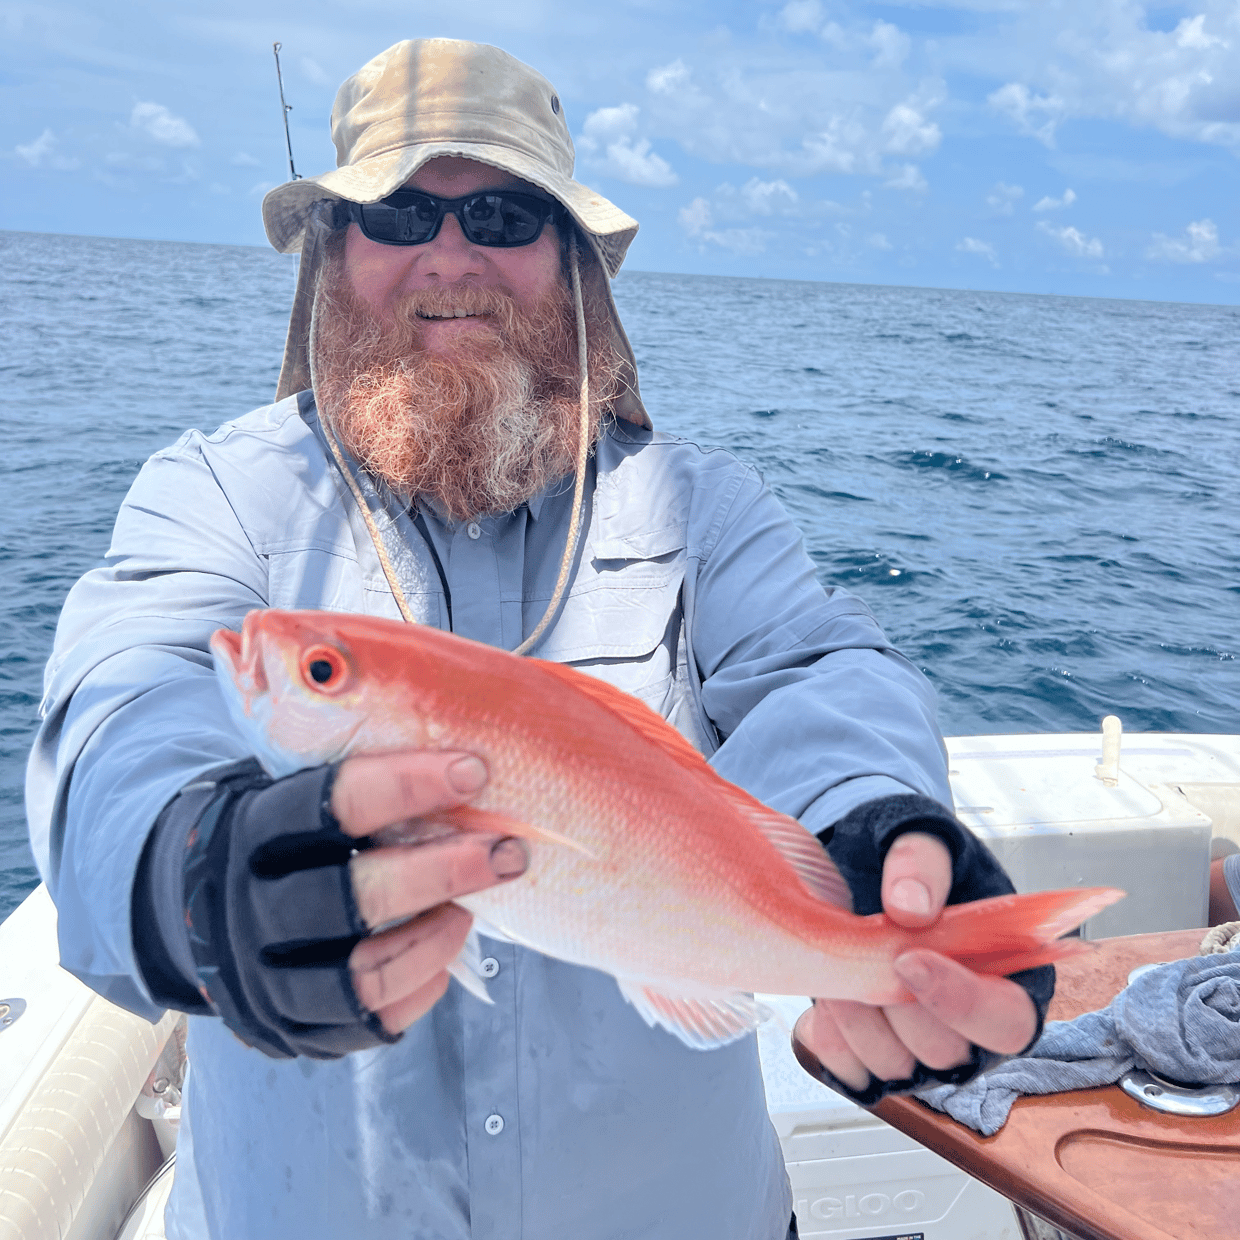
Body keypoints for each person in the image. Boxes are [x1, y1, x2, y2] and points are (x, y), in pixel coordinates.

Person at [27, 38, 1049, 1240]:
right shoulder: (215, 494)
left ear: (572, 267)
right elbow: (122, 706)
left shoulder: (703, 505)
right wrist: (188, 870)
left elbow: (815, 673)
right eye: (396, 214)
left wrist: (875, 826)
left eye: (503, 216)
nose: (448, 256)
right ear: (330, 255)